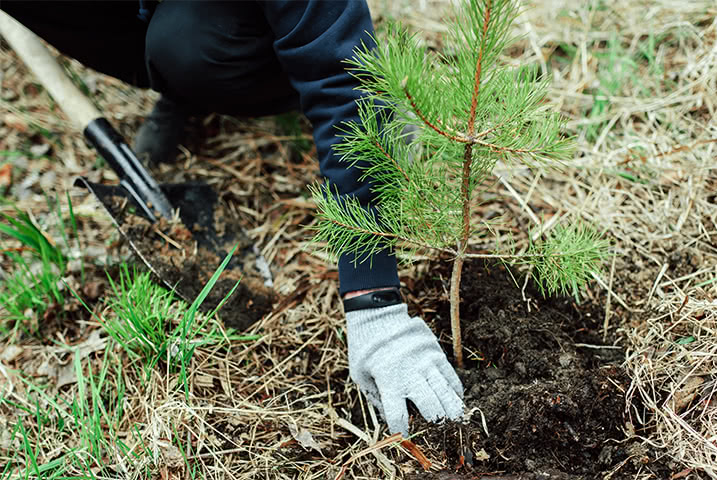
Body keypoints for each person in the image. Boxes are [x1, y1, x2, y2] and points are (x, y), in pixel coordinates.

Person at [0, 1, 464, 437]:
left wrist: (373, 299)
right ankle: (179, 81)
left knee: (188, 47)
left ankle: (223, 67)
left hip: (261, 25)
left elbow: (339, 76)